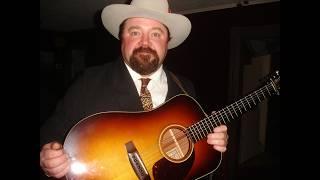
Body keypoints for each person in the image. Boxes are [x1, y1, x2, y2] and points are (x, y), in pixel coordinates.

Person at [40, 0, 229, 179]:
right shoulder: (88, 82)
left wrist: (212, 142)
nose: (145, 43)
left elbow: (189, 149)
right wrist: (48, 158)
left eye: (156, 34)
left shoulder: (185, 88)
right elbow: (50, 133)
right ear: (122, 37)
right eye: (135, 32)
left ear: (167, 42)